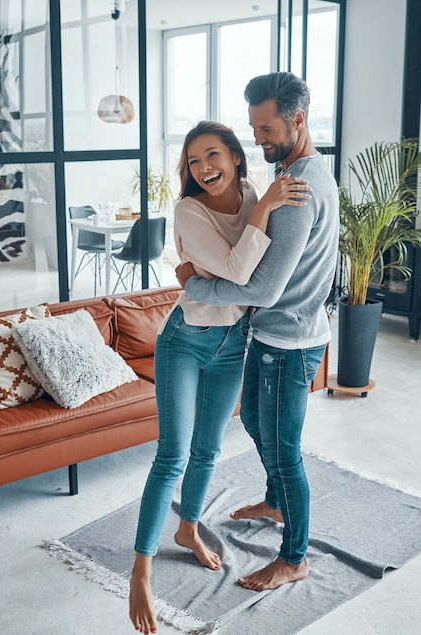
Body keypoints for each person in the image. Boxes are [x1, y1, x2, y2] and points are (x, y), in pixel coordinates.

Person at [129, 120, 312, 634]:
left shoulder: (256, 193)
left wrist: (262, 206)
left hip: (235, 344)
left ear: (234, 156)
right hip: (185, 341)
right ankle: (140, 570)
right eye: (193, 162)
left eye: (213, 155)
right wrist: (265, 210)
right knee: (172, 455)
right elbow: (238, 271)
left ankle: (187, 527)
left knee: (209, 449)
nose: (204, 168)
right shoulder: (190, 210)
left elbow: (260, 279)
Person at [175, 72, 339, 592]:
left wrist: (196, 287)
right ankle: (275, 500)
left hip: (287, 342)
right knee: (255, 425)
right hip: (277, 336)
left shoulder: (294, 191)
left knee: (285, 449)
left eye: (267, 128)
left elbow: (264, 289)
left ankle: (294, 558)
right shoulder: (303, 171)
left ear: (298, 119)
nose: (259, 139)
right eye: (253, 128)